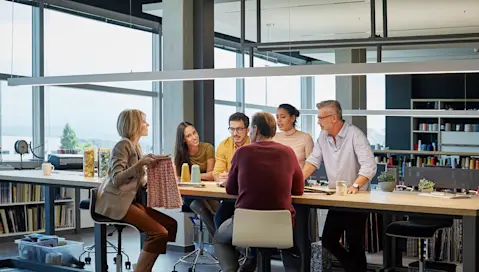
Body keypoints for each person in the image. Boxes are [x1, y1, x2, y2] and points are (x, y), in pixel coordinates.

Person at [213, 112, 304, 272]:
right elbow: (298, 189)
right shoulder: (288, 152)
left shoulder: (241, 153)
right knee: (293, 242)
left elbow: (231, 189)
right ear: (273, 131)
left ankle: (233, 269)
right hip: (281, 224)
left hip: (246, 222)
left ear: (254, 130)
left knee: (220, 239)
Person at [95, 109, 177, 272]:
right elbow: (116, 179)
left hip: (130, 201)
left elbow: (137, 181)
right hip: (117, 202)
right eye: (144, 121)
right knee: (159, 233)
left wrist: (156, 171)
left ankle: (143, 267)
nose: (147, 124)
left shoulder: (136, 147)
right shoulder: (122, 145)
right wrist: (141, 164)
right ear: (133, 124)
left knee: (170, 224)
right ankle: (141, 269)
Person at [302, 100, 377, 272]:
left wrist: (356, 185)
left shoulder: (355, 135)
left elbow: (369, 166)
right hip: (337, 196)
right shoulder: (323, 137)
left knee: (354, 243)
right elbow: (313, 161)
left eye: (321, 117)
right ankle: (353, 268)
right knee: (328, 239)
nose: (318, 121)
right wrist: (298, 179)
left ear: (334, 118)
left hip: (357, 197)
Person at [212, 112, 255, 271]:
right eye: (232, 129)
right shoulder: (224, 145)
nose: (235, 133)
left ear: (247, 130)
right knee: (220, 217)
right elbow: (217, 173)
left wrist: (229, 175)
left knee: (251, 221)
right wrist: (222, 177)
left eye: (239, 129)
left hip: (251, 195)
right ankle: (233, 255)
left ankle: (251, 257)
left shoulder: (253, 145)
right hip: (232, 194)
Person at [173, 121, 218, 237]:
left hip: (208, 192)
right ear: (183, 140)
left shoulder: (208, 148)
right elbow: (178, 178)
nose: (194, 137)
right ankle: (219, 241)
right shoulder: (180, 154)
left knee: (219, 211)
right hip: (191, 195)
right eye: (189, 136)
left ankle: (223, 242)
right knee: (203, 210)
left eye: (194, 133)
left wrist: (192, 176)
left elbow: (211, 175)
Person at [273, 103, 314, 168]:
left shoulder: (306, 138)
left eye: (283, 117)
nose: (279, 120)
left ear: (293, 118)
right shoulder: (273, 137)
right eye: (277, 117)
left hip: (298, 177)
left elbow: (311, 164)